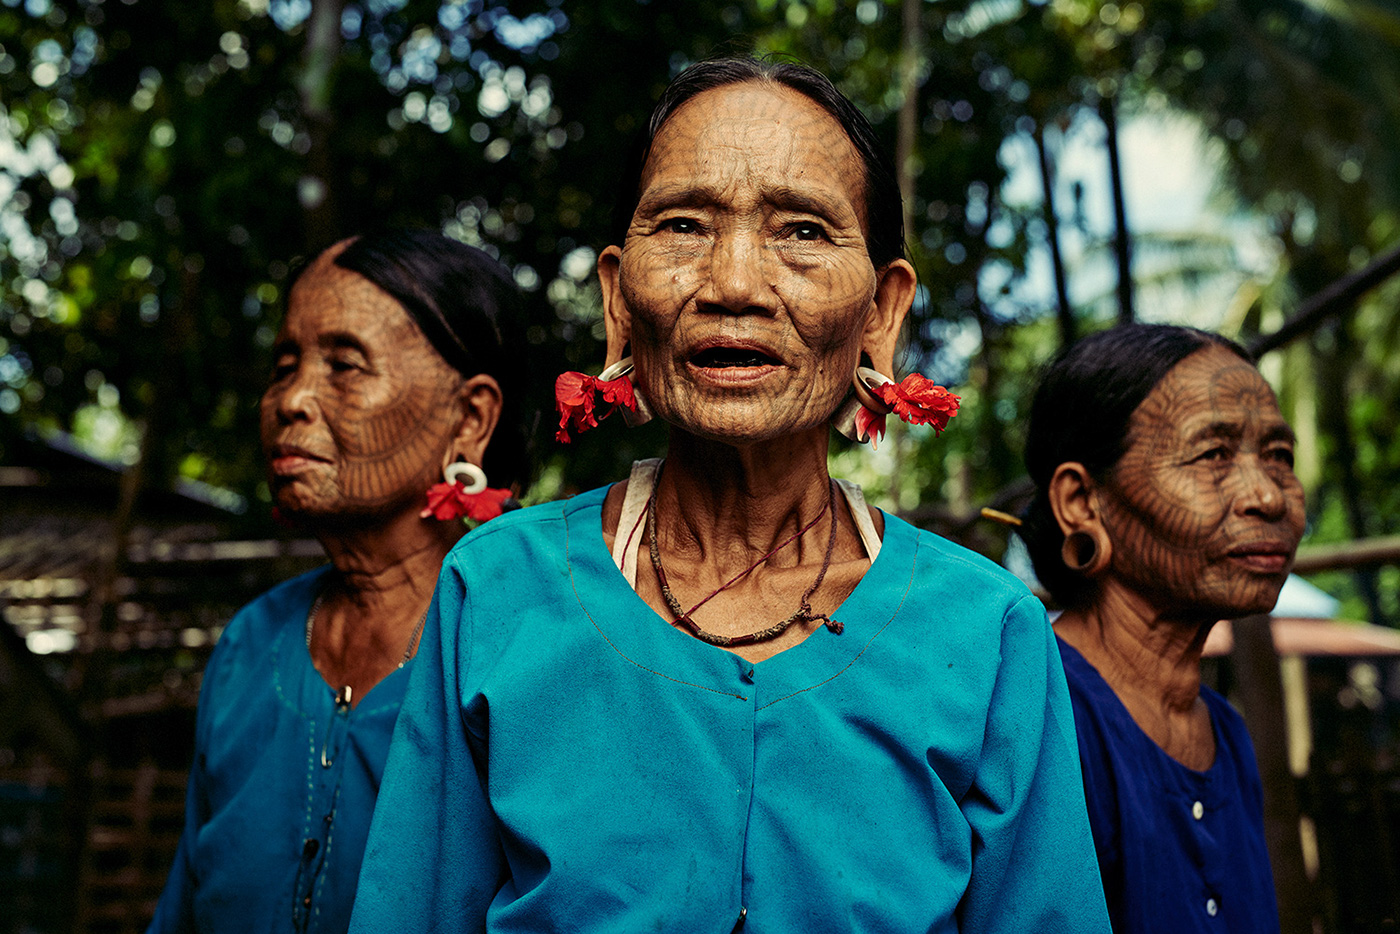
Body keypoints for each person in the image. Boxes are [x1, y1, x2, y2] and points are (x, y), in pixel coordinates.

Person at [350, 58, 1109, 933]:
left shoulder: (986, 632)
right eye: (682, 226)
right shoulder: (497, 591)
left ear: (882, 312)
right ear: (617, 299)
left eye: (803, 232)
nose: (735, 285)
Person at [148, 229, 532, 934]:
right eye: (283, 365)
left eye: (346, 365)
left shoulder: (527, 654)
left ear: (469, 418)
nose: (290, 400)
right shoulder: (252, 645)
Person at [1017, 323, 1305, 933]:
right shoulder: (1038, 716)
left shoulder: (1225, 732)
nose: (1269, 497)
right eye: (1213, 455)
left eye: (1280, 457)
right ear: (1081, 502)